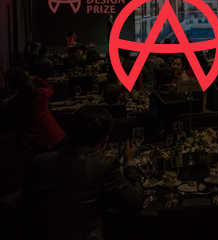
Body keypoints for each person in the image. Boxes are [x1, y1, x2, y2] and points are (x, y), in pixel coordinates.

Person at [19, 105, 144, 240]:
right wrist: (129, 162)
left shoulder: (41, 161)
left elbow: (24, 205)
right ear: (105, 140)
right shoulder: (103, 165)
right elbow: (136, 201)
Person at [1, 68, 66, 154]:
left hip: (32, 142)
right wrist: (36, 79)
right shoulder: (40, 94)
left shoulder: (14, 103)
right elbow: (50, 87)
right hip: (54, 137)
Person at [146, 64, 185, 141]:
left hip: (161, 132)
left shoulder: (155, 95)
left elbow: (153, 117)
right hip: (180, 129)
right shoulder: (180, 91)